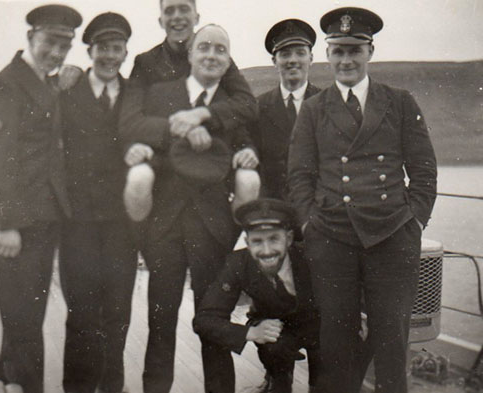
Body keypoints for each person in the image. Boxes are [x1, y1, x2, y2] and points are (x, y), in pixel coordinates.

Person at [287, 7, 437, 393]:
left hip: (392, 236)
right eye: (338, 51)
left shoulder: (399, 102)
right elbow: (300, 175)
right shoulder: (314, 109)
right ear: (327, 55)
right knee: (336, 340)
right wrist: (309, 224)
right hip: (332, 237)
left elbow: (423, 170)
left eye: (355, 50)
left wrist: (414, 221)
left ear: (370, 51)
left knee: (391, 340)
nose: (346, 60)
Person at [125, 24, 252, 393]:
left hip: (213, 228)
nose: (212, 55)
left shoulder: (231, 103)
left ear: (228, 61)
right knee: (160, 323)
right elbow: (140, 132)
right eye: (204, 48)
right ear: (191, 54)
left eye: (221, 50)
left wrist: (249, 152)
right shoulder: (162, 95)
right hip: (164, 226)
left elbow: (246, 139)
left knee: (213, 322)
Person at [0, 5, 81, 393]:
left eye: (64, 47)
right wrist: (6, 224)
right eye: (50, 43)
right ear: (30, 39)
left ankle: (9, 384)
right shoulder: (5, 85)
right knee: (23, 322)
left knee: (25, 319)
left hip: (45, 218)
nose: (56, 53)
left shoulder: (46, 83)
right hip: (17, 224)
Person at [119, 0, 260, 222]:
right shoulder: (146, 62)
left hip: (209, 161)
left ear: (196, 17)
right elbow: (131, 121)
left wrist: (202, 114)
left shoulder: (214, 56)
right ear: (160, 20)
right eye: (169, 11)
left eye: (184, 9)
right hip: (165, 163)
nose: (177, 17)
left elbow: (247, 104)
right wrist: (181, 128)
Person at [59, 13, 136, 393]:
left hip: (122, 226)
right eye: (102, 48)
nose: (109, 55)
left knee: (118, 315)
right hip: (78, 225)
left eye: (116, 48)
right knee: (81, 314)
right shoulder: (66, 91)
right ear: (89, 51)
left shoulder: (135, 92)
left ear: (125, 52)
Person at [193, 198, 321, 393]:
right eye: (257, 241)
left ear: (288, 238)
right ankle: (279, 381)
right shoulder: (238, 264)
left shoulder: (310, 257)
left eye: (273, 239)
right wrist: (249, 333)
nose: (267, 251)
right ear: (247, 243)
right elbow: (204, 319)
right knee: (273, 348)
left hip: (317, 327)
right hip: (275, 334)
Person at [252, 19, 320, 200]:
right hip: (274, 208)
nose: (292, 60)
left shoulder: (327, 103)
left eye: (300, 53)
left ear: (311, 58)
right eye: (285, 54)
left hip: (318, 206)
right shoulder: (258, 107)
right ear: (275, 61)